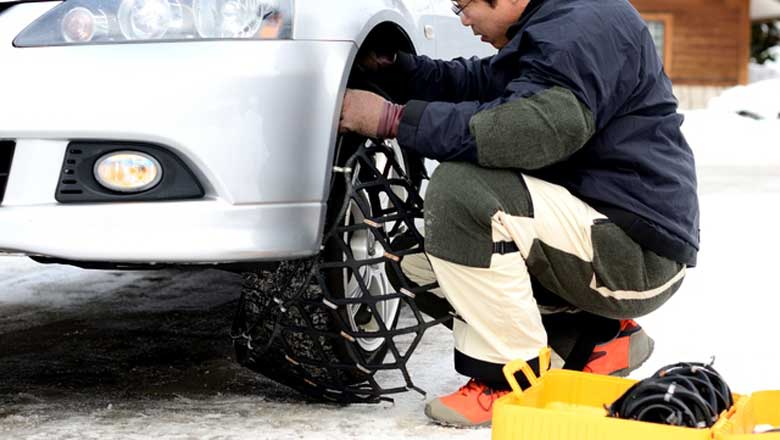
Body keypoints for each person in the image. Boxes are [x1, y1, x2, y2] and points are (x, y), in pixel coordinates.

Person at [339, 0, 699, 428]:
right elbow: (484, 84)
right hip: (602, 227)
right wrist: (399, 72)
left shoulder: (582, 27)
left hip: (634, 248)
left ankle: (509, 379)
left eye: (465, 5)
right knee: (420, 262)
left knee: (462, 192)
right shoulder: (558, 20)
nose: (464, 19)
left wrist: (393, 119)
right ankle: (599, 337)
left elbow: (532, 129)